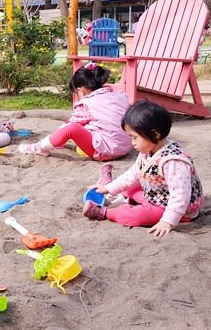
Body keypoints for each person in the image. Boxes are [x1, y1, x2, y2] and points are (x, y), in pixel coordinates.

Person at [83, 101, 204, 237]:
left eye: (135, 137)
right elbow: (133, 174)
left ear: (155, 134)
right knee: (132, 185)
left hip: (175, 210)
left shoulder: (173, 161)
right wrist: (109, 188)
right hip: (158, 196)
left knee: (137, 215)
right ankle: (115, 197)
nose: (132, 142)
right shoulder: (148, 150)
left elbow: (180, 196)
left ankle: (103, 212)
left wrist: (167, 221)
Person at [19, 62, 131, 161]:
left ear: (80, 89)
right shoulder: (120, 96)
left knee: (71, 128)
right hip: (126, 147)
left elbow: (69, 127)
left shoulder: (87, 104)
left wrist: (56, 139)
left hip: (106, 152)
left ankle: (39, 148)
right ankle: (54, 142)